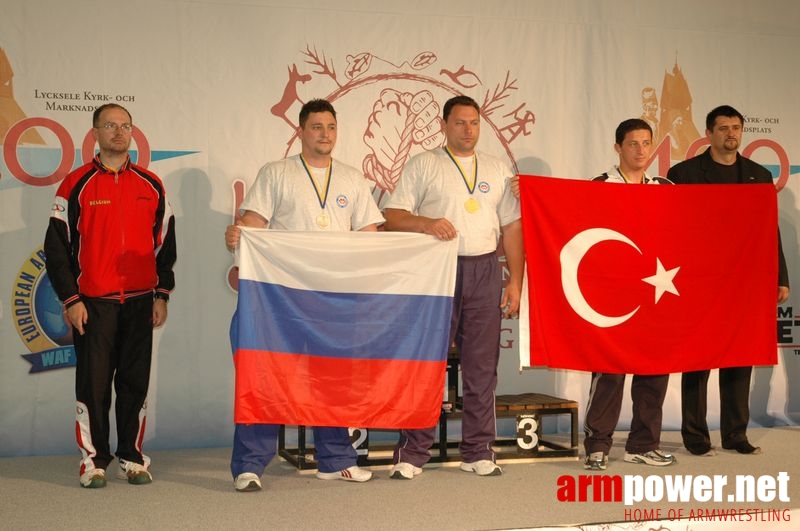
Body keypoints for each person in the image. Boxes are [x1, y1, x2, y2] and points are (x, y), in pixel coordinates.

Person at [224, 98, 383, 492]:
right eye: (316, 127)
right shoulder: (276, 173)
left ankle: (336, 460)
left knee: (332, 381)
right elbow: (252, 227)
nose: (324, 134)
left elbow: (369, 238)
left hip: (334, 299)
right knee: (265, 379)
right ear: (300, 130)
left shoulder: (351, 178)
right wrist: (238, 235)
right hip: (281, 300)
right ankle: (250, 465)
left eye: (330, 127)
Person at [382, 95, 524, 479]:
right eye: (460, 123)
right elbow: (392, 216)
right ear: (444, 125)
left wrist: (515, 283)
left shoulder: (497, 169)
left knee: (482, 367)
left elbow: (511, 227)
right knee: (428, 363)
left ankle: (478, 450)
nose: (468, 130)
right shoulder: (424, 164)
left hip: (484, 269)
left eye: (474, 123)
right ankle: (412, 453)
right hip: (436, 270)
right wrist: (426, 223)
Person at [43, 103, 177, 488]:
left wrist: (161, 293)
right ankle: (93, 460)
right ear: (96, 133)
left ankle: (132, 458)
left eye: (126, 126)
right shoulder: (75, 184)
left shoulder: (151, 185)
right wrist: (72, 300)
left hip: (139, 302)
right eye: (110, 126)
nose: (119, 132)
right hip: (94, 304)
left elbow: (164, 246)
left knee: (134, 383)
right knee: (94, 385)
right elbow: (56, 248)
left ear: (133, 133)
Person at [667, 104, 790, 456]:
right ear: (708, 133)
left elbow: (769, 230)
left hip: (743, 281)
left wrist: (779, 275)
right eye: (723, 128)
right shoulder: (685, 173)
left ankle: (736, 434)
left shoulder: (757, 175)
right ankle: (696, 435)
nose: (731, 134)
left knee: (740, 354)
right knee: (698, 358)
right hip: (697, 279)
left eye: (736, 127)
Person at [582, 119, 675, 471]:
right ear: (617, 147)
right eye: (633, 143)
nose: (640, 150)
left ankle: (643, 444)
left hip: (656, 289)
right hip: (613, 293)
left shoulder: (666, 187)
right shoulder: (600, 186)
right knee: (610, 371)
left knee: (654, 369)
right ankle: (598, 445)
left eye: (646, 143)